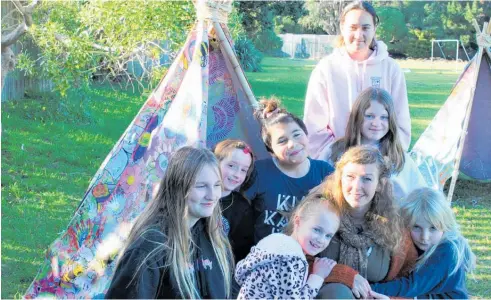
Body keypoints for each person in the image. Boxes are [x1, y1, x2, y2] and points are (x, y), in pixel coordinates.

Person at [105, 147, 234, 299]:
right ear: (178, 187)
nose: (212, 195)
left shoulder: (215, 237)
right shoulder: (150, 248)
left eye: (217, 185)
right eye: (201, 186)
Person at [303, 0, 411, 160]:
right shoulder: (326, 69)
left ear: (375, 28)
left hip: (380, 164)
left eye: (365, 28)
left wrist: (380, 160)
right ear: (342, 28)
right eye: (353, 28)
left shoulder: (391, 68)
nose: (359, 35)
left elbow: (400, 122)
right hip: (336, 163)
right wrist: (338, 158)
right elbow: (314, 126)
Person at [314, 145, 418, 299]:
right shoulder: (320, 213)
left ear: (379, 184)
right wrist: (344, 275)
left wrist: (390, 299)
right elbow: (294, 260)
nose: (357, 186)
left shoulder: (393, 225)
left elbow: (408, 281)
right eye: (350, 176)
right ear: (340, 178)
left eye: (367, 178)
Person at [246, 97, 334, 243]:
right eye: (282, 141)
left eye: (297, 135)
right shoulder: (259, 172)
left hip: (309, 257)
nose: (292, 144)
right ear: (271, 150)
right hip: (265, 257)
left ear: (306, 135)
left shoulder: (324, 172)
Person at [370, 187, 475, 299]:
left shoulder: (447, 251)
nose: (424, 237)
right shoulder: (419, 242)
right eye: (416, 227)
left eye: (433, 228)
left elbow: (412, 285)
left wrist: (370, 289)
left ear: (445, 225)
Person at [235, 191, 341, 299]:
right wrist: (318, 276)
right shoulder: (291, 259)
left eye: (328, 236)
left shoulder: (275, 241)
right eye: (317, 230)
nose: (321, 240)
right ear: (298, 221)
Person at [327, 87, 426, 202]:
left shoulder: (399, 158)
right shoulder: (336, 151)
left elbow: (421, 195)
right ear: (357, 117)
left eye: (384, 117)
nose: (376, 123)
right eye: (369, 116)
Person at [214, 139, 256, 263]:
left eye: (243, 170)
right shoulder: (196, 195)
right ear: (215, 162)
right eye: (231, 166)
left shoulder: (242, 208)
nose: (237, 174)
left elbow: (242, 251)